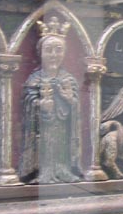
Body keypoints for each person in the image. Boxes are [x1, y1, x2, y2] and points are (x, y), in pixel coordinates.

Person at [19, 16, 81, 184]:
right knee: (45, 144)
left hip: (63, 126)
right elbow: (28, 101)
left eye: (58, 50)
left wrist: (71, 101)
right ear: (40, 53)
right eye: (49, 50)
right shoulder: (34, 79)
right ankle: (43, 171)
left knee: (61, 144)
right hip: (42, 128)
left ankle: (63, 170)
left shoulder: (69, 79)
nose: (54, 55)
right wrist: (39, 105)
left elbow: (76, 108)